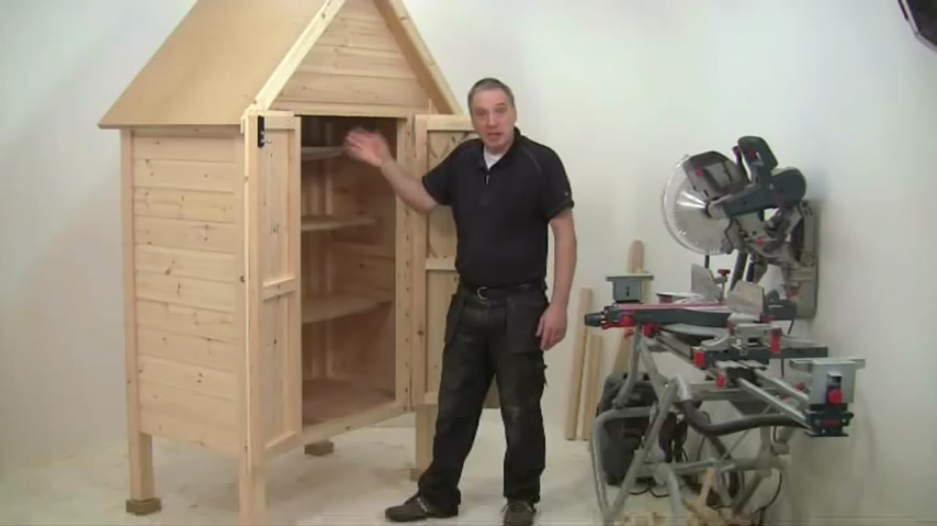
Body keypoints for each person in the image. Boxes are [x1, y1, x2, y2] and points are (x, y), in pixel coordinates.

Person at [343, 77, 577, 526]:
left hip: (522, 308)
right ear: (472, 119)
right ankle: (437, 498)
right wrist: (385, 163)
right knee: (453, 408)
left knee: (520, 411)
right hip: (468, 305)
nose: (492, 121)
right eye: (482, 113)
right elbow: (423, 200)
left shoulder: (541, 163)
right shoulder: (465, 159)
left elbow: (564, 234)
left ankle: (523, 499)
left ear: (514, 111)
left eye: (500, 110)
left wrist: (559, 304)